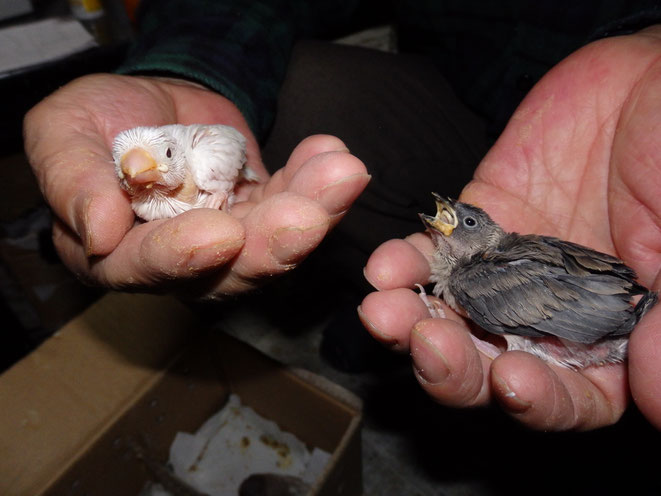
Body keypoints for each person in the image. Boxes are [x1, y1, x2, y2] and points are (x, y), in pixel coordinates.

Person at [23, 0, 660, 431]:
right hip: (465, 80)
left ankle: (373, 311)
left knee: (475, 323)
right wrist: (184, 69)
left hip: (606, 74)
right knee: (310, 126)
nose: (447, 224)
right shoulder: (477, 260)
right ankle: (363, 298)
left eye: (461, 224)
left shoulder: (476, 279)